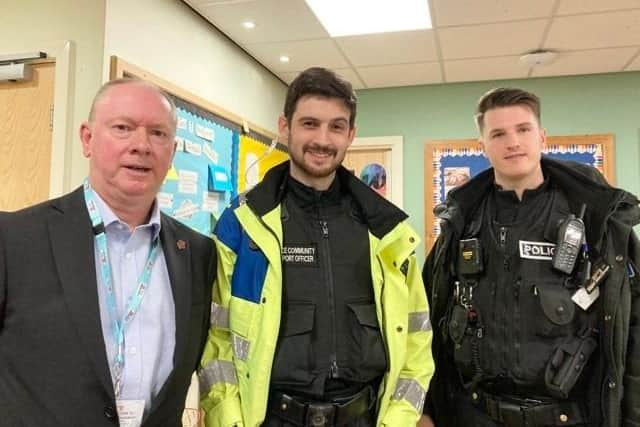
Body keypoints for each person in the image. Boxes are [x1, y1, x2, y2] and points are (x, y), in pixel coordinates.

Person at [199, 67, 433, 427]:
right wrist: (228, 419)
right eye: (310, 123)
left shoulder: (388, 232)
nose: (323, 139)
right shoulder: (243, 226)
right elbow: (218, 339)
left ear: (351, 134)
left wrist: (399, 420)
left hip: (365, 418)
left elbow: (416, 337)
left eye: (336, 126)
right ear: (284, 126)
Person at [0, 78, 216, 427]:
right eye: (123, 128)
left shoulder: (197, 252)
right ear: (87, 139)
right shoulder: (15, 239)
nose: (142, 145)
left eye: (158, 134)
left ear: (173, 151)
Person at [422, 87, 640, 426]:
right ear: (483, 146)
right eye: (498, 133)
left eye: (523, 129)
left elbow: (633, 323)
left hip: (569, 415)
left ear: (542, 136)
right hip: (473, 413)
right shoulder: (460, 222)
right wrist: (427, 409)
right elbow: (428, 321)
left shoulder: (598, 218)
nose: (513, 142)